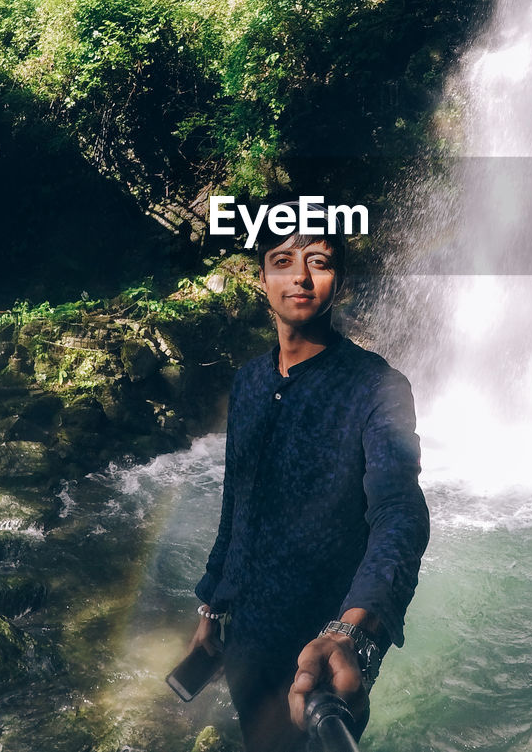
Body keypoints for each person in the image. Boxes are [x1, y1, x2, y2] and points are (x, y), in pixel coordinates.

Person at [188, 214, 430, 752]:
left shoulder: (377, 387)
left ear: (337, 282)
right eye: (283, 262)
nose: (300, 277)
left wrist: (352, 630)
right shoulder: (249, 379)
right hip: (247, 635)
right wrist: (212, 604)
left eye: (317, 262)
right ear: (260, 279)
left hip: (323, 649)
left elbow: (400, 511)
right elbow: (238, 501)